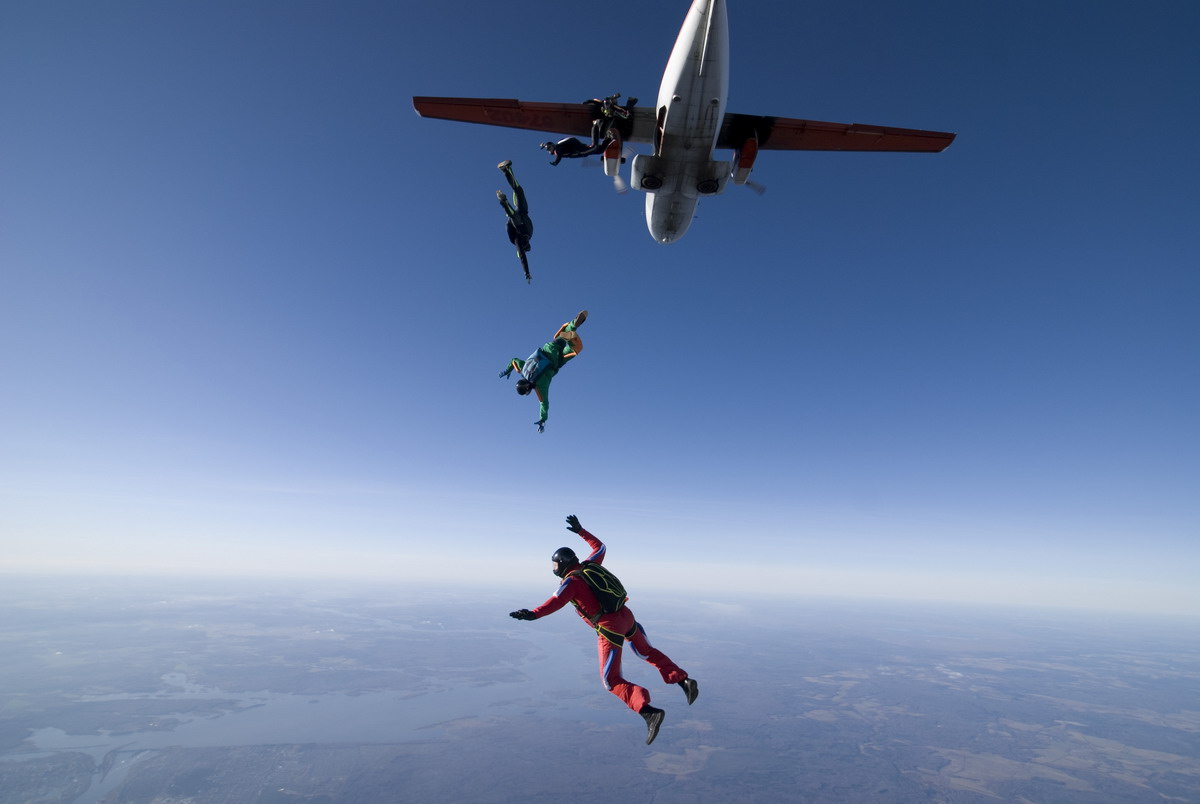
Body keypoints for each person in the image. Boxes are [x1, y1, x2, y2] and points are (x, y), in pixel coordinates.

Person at [509, 515, 699, 745]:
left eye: (555, 565)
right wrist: (581, 531)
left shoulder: (570, 583)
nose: (554, 569)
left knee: (610, 680)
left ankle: (649, 712)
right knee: (645, 651)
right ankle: (683, 681)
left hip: (610, 627)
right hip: (626, 615)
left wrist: (532, 614)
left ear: (563, 563)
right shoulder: (590, 565)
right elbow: (600, 547)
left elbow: (555, 602)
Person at [499, 311, 587, 433]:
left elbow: (544, 404)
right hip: (549, 347)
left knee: (575, 349)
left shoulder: (539, 387)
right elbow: (514, 360)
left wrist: (542, 419)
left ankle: (571, 339)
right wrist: (508, 370)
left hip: (556, 360)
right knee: (561, 335)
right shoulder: (522, 369)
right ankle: (572, 325)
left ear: (527, 389)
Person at [496, 160, 533, 283]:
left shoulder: (517, 241)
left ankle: (503, 201)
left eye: (526, 246)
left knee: (515, 217)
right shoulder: (530, 234)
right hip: (523, 211)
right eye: (528, 245)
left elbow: (522, 257)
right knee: (519, 190)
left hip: (515, 221)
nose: (527, 244)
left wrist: (526, 272)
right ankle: (506, 169)